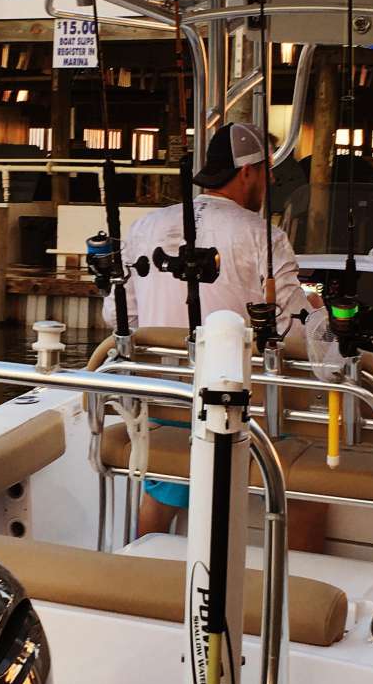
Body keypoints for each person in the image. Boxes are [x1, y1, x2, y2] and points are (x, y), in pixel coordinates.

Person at [113, 122, 333, 550]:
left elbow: (121, 315)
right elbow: (290, 327)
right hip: (241, 410)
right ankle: (303, 593)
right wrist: (322, 313)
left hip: (164, 408)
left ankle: (139, 567)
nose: (270, 183)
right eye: (267, 172)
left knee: (162, 490)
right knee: (309, 492)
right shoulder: (263, 236)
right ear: (247, 171)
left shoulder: (145, 226)